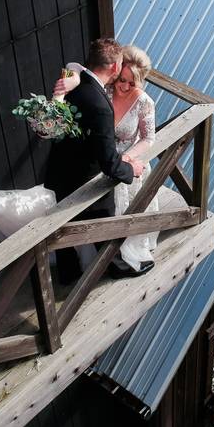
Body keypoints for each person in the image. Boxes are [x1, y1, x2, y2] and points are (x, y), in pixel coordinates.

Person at [44, 38, 145, 284]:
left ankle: (67, 275)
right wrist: (131, 169)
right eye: (120, 65)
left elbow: (73, 65)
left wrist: (75, 75)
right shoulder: (101, 106)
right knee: (104, 220)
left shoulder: (74, 80)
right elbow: (109, 162)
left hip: (59, 169)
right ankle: (117, 266)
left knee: (63, 225)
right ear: (113, 67)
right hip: (83, 178)